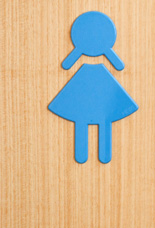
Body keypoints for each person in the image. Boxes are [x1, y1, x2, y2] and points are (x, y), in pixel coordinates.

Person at [49, 11, 138, 164]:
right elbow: (118, 65)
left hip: (94, 82)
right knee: (84, 118)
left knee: (98, 118)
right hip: (88, 81)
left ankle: (101, 154)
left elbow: (67, 64)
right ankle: (85, 154)